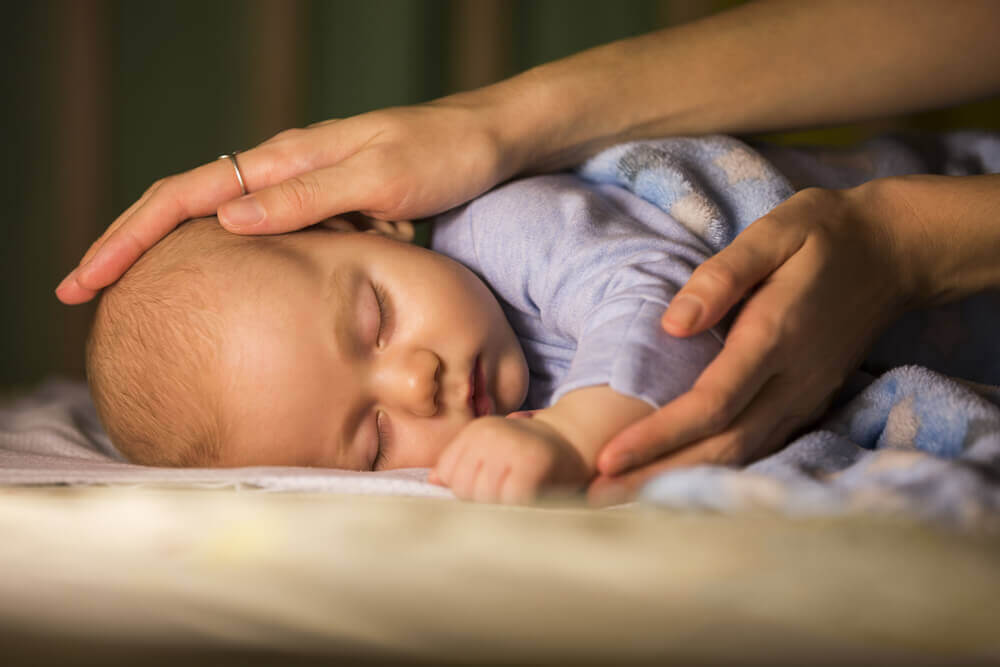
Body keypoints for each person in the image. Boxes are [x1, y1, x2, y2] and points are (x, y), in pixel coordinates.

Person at [58, 0, 1000, 504]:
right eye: (373, 440)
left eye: (376, 318)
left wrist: (573, 437)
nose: (415, 382)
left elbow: (661, 299)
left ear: (371, 227)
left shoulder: (506, 228)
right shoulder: (496, 422)